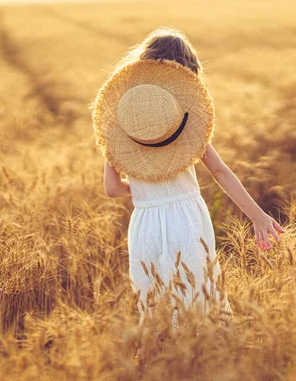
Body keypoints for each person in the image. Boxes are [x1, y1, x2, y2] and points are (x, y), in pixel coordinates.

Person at [91, 27, 285, 330]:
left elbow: (112, 189)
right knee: (200, 305)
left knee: (154, 313)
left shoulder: (121, 123)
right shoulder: (181, 121)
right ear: (186, 75)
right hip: (186, 219)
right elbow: (220, 172)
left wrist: (148, 190)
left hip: (144, 227)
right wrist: (258, 217)